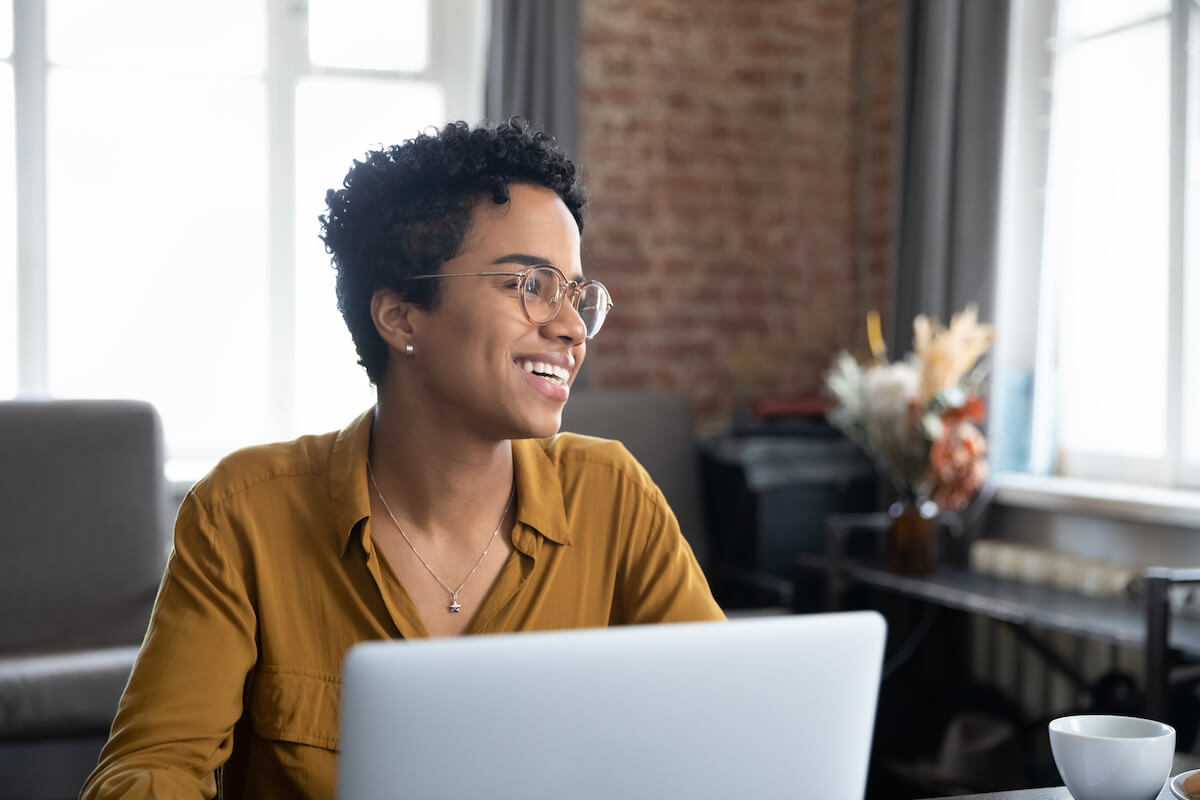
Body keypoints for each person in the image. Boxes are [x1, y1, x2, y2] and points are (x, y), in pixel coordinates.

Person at [81, 119, 724, 800]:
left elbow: (723, 726)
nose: (569, 328)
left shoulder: (613, 496)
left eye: (574, 293)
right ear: (400, 317)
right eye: (528, 286)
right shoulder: (244, 512)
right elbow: (149, 770)